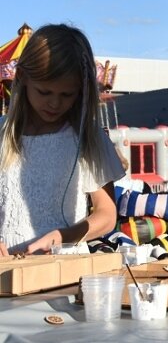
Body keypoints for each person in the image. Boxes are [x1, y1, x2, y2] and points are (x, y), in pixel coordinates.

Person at [0, 24, 125, 256]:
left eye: (67, 94)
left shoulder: (86, 138)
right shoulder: (3, 134)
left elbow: (106, 214)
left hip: (64, 270)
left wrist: (62, 237)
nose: (55, 104)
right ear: (23, 79)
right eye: (44, 92)